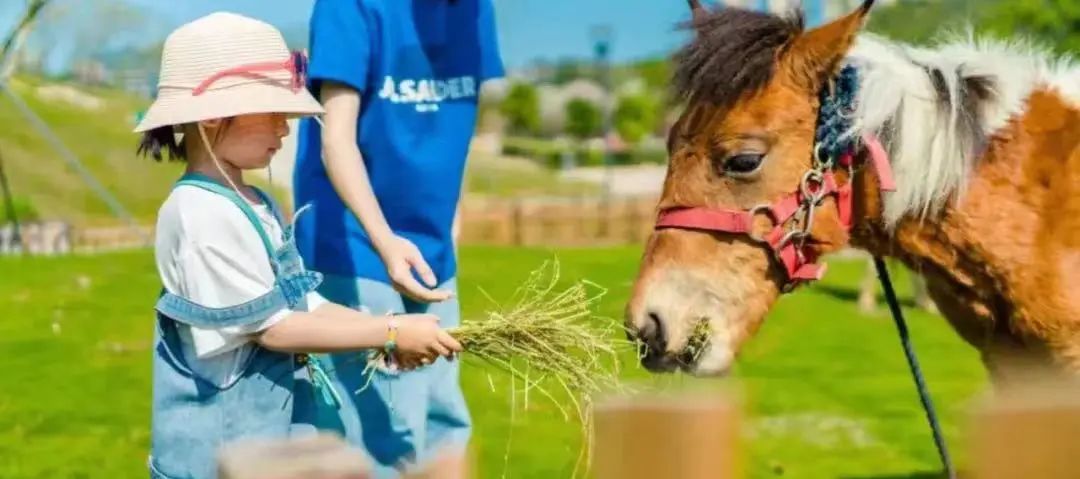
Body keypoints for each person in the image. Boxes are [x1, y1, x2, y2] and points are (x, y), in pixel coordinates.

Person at [135, 12, 461, 479]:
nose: (285, 129)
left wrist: (391, 326)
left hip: (273, 450)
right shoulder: (198, 214)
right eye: (272, 115)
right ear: (210, 118)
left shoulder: (252, 201)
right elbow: (273, 330)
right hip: (219, 461)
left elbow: (305, 306)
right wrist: (388, 333)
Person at [292, 0, 504, 475]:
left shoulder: (474, 11)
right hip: (353, 244)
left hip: (431, 251)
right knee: (384, 431)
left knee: (444, 420)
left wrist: (452, 216)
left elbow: (457, 123)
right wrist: (385, 241)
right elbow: (336, 139)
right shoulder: (351, 7)